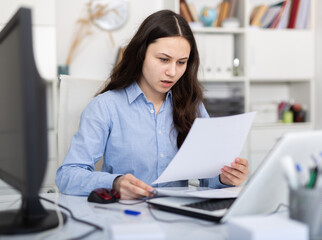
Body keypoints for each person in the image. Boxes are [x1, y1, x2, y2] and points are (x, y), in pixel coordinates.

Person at [55, 10, 249, 199]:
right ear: (141, 54)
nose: (172, 72)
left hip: (180, 218)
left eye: (181, 62)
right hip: (125, 218)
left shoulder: (193, 107)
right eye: (163, 59)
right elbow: (67, 176)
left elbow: (208, 176)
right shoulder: (105, 107)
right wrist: (115, 183)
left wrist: (224, 177)